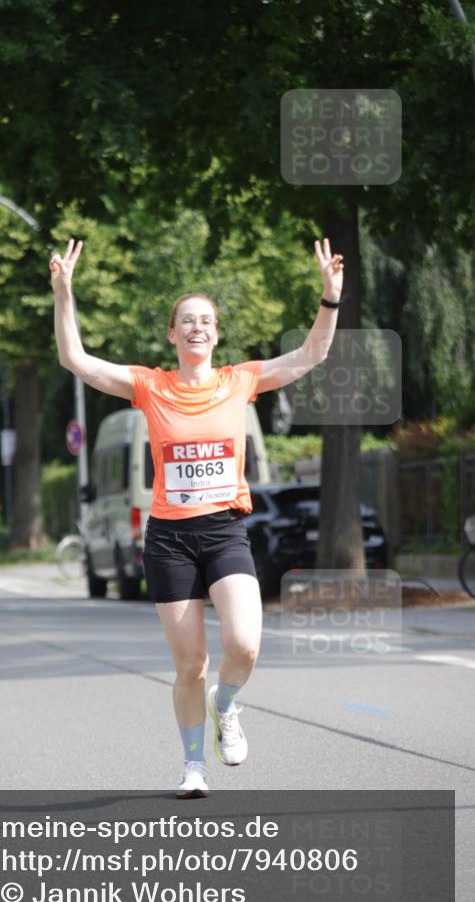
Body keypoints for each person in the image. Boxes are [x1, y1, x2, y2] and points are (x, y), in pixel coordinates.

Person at [50, 237, 344, 798]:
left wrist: (329, 300)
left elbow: (310, 355)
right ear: (171, 333)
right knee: (190, 665)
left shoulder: (241, 381)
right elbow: (76, 360)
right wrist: (64, 294)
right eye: (186, 320)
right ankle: (193, 767)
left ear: (216, 332)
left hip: (224, 530)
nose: (196, 328)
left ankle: (226, 706)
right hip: (169, 540)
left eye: (205, 320)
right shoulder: (150, 386)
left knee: (245, 645)